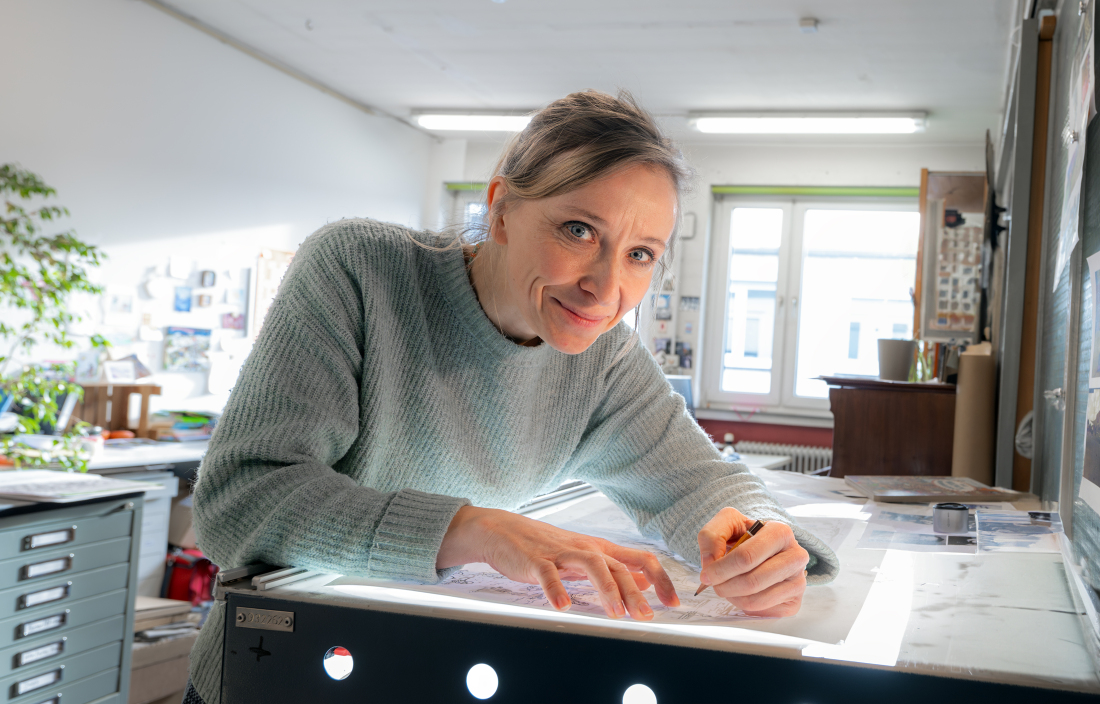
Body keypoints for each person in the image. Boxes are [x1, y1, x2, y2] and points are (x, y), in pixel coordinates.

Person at [181, 90, 839, 704]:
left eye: (640, 254)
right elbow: (239, 501)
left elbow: (702, 486)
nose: (606, 288)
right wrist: (474, 530)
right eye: (580, 231)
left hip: (426, 673)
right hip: (275, 674)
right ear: (500, 210)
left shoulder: (605, 357)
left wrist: (758, 542)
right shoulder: (361, 271)